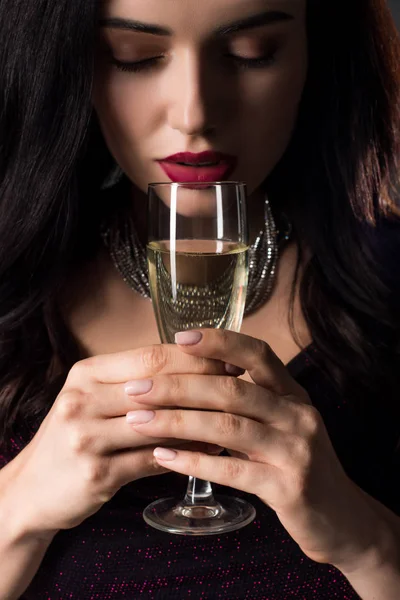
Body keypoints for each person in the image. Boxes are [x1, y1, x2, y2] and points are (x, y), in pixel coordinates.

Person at [0, 0, 399, 598]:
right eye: (133, 58)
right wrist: (17, 510)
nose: (195, 115)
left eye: (251, 54)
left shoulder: (387, 282)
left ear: (316, 56)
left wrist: (368, 541)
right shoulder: (14, 282)